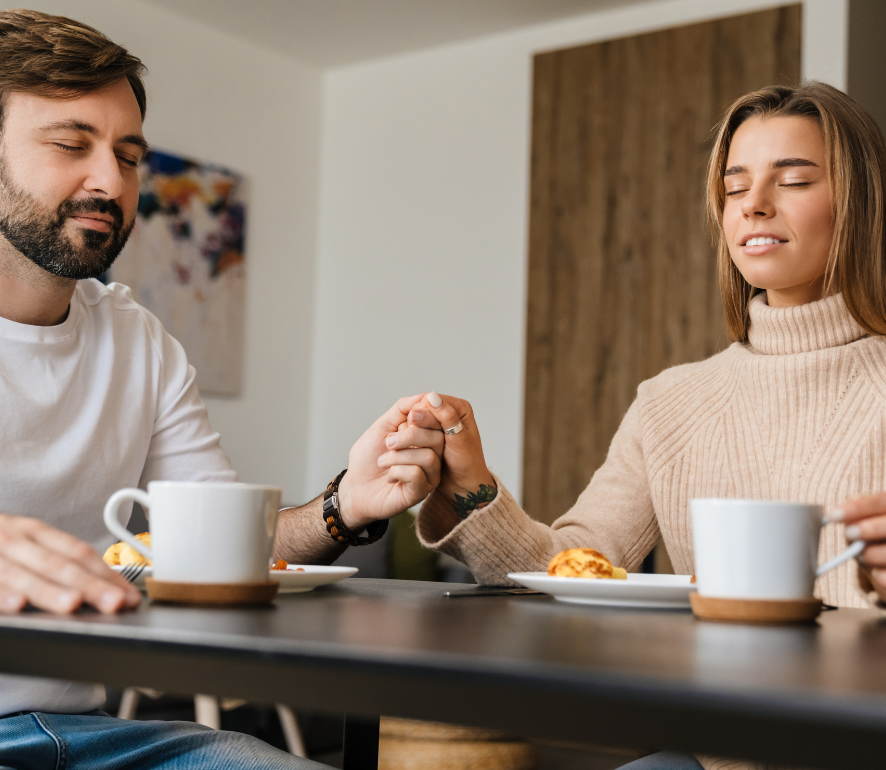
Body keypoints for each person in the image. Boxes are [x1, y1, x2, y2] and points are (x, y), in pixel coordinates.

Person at [0, 9, 442, 769]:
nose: (111, 181)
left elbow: (218, 544)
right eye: (71, 144)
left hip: (94, 732)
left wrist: (347, 506)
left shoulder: (137, 338)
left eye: (128, 154)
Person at [379, 82, 886, 770]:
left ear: (861, 205)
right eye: (735, 189)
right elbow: (575, 565)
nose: (755, 204)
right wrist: (472, 487)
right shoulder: (670, 402)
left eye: (793, 179)